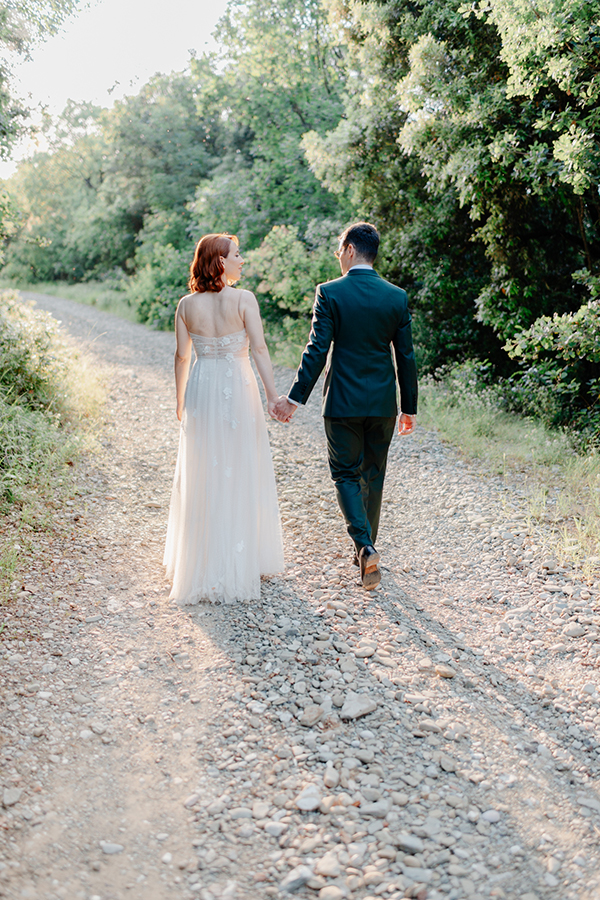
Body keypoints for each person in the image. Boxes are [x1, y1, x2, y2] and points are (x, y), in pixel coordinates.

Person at [273, 222, 417, 590]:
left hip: (342, 402)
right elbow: (406, 357)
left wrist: (293, 398)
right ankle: (365, 552)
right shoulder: (396, 297)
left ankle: (365, 547)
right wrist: (409, 407)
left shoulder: (330, 293)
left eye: (339, 250)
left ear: (350, 249)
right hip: (383, 403)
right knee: (373, 476)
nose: (338, 257)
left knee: (345, 475)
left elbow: (317, 350)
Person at [164, 233, 284, 604]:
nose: (241, 259)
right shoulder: (244, 300)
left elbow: (182, 357)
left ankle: (203, 557)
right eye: (236, 254)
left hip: (203, 385)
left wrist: (181, 399)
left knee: (205, 468)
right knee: (240, 464)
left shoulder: (186, 305)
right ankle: (240, 556)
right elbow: (260, 348)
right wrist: (272, 394)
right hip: (238, 383)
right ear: (219, 262)